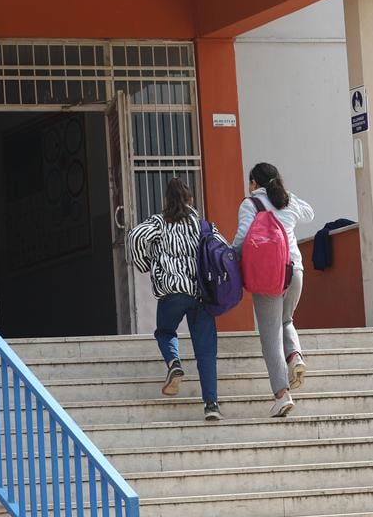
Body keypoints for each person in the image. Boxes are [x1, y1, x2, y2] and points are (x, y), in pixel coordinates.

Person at [128, 177, 224, 421]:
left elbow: (135, 236)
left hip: (172, 292)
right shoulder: (203, 226)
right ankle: (211, 404)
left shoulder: (159, 222)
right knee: (206, 351)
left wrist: (145, 263)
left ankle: (174, 363)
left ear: (166, 201)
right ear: (190, 199)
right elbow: (222, 248)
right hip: (201, 294)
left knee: (165, 331)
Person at [233, 162, 314, 417]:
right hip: (295, 271)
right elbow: (310, 214)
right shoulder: (288, 200)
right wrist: (287, 194)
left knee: (270, 337)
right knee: (286, 320)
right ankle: (295, 357)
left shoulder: (250, 204)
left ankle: (282, 395)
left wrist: (229, 257)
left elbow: (242, 239)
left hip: (269, 276)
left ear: (253, 183)